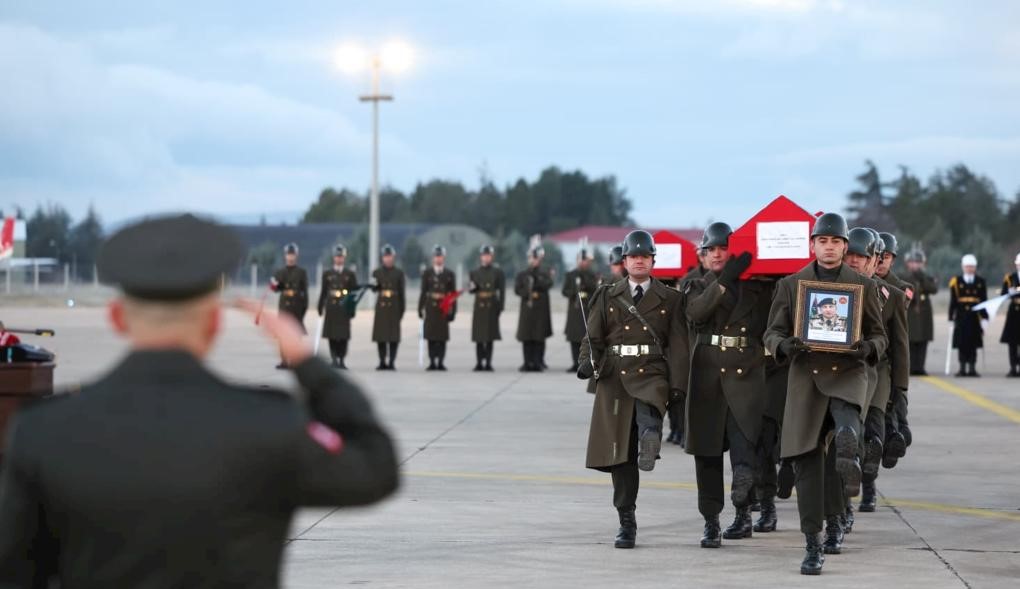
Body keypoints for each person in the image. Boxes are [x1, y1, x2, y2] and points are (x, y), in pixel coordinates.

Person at [0, 214, 399, 587]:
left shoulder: (43, 433)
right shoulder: (268, 426)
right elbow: (376, 468)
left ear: (118, 317)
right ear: (214, 322)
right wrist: (308, 364)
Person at [763, 212, 887, 575]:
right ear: (813, 245)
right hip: (806, 377)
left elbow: (880, 336)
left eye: (836, 242)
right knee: (807, 462)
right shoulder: (791, 284)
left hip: (848, 372)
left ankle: (851, 440)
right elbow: (770, 333)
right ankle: (813, 542)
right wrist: (785, 346)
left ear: (845, 247)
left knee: (846, 425)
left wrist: (867, 348)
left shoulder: (861, 286)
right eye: (823, 241)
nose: (829, 247)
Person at [580, 230, 688, 549]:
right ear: (624, 261)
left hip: (652, 370)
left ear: (653, 260)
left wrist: (679, 385)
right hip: (615, 377)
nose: (639, 260)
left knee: (649, 405)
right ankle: (626, 520)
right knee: (621, 456)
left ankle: (650, 436)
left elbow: (679, 346)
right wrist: (586, 361)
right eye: (633, 256)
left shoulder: (671, 298)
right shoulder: (606, 295)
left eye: (645, 256)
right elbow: (593, 337)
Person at [683, 222, 772, 547]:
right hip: (707, 378)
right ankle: (710, 521)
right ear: (703, 256)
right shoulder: (695, 285)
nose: (718, 254)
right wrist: (724, 280)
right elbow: (695, 313)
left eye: (723, 248)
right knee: (706, 454)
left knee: (745, 446)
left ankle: (743, 515)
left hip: (746, 375)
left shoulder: (756, 288)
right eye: (711, 250)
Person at [317, 244, 359, 369]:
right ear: (333, 257)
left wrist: (352, 309)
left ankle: (341, 359)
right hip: (332, 307)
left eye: (341, 257)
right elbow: (324, 291)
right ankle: (334, 358)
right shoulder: (327, 274)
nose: (339, 259)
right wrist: (320, 306)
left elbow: (353, 294)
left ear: (344, 258)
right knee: (332, 336)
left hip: (344, 308)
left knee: (343, 336)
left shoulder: (349, 274)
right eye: (337, 256)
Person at [515, 246, 554, 372]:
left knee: (538, 337)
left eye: (536, 258)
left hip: (540, 309)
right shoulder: (523, 274)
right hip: (527, 308)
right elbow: (517, 289)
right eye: (532, 258)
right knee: (527, 337)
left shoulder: (544, 273)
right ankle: (527, 362)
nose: (534, 261)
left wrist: (536, 282)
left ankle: (537, 362)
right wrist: (527, 292)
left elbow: (548, 284)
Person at [949, 254, 988, 377]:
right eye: (967, 266)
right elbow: (953, 301)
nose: (969, 269)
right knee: (961, 343)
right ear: (963, 267)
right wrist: (951, 316)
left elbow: (983, 301)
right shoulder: (956, 282)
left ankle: (972, 368)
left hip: (974, 317)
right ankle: (962, 368)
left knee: (973, 343)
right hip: (961, 316)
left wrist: (985, 317)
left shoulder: (980, 282)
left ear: (975, 267)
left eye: (971, 266)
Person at [271, 242, 309, 369]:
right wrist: (274, 285)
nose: (290, 257)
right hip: (284, 306)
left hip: (297, 306)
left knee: (296, 334)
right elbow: (275, 289)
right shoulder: (280, 272)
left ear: (296, 256)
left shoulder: (301, 272)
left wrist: (304, 308)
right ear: (285, 256)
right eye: (288, 254)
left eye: (292, 254)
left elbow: (305, 291)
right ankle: (284, 360)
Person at [419, 245, 457, 371]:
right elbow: (423, 291)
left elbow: (453, 294)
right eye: (436, 256)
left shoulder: (449, 274)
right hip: (431, 306)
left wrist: (453, 311)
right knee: (431, 336)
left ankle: (440, 361)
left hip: (444, 306)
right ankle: (432, 362)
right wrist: (420, 308)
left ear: (444, 257)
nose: (438, 259)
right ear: (433, 258)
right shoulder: (427, 273)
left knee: (442, 336)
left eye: (440, 256)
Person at [469, 245, 506, 371]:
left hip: (492, 305)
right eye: (484, 255)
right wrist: (472, 288)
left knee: (490, 336)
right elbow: (472, 290)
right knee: (479, 336)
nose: (486, 257)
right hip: (479, 305)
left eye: (488, 255)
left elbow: (502, 290)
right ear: (481, 257)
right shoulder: (474, 272)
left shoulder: (497, 272)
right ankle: (479, 362)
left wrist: (501, 307)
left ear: (492, 257)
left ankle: (488, 362)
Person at [563, 249, 599, 372]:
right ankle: (575, 363)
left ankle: (585, 362)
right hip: (574, 310)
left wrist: (585, 286)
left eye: (586, 260)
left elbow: (595, 289)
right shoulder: (571, 274)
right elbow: (565, 291)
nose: (584, 263)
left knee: (586, 337)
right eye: (582, 260)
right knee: (574, 338)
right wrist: (575, 292)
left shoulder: (592, 275)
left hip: (587, 309)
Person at [372, 244, 406, 370]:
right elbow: (374, 289)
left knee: (393, 337)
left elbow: (402, 293)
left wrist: (402, 310)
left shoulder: (399, 273)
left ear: (394, 257)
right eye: (385, 256)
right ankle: (382, 361)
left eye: (390, 256)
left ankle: (391, 361)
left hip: (394, 306)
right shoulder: (377, 272)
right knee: (381, 336)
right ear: (382, 258)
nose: (388, 259)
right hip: (381, 307)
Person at [904, 249, 937, 376]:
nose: (915, 265)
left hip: (924, 313)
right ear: (908, 264)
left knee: (923, 340)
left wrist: (922, 278)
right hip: (911, 311)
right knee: (911, 340)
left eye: (918, 262)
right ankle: (911, 367)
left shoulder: (926, 277)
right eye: (913, 262)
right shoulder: (904, 276)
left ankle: (920, 367)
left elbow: (933, 289)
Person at [1000, 252, 1020, 377]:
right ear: (1016, 265)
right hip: (1014, 312)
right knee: (1012, 342)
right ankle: (1013, 367)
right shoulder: (1010, 278)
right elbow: (1003, 294)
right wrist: (1009, 292)